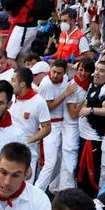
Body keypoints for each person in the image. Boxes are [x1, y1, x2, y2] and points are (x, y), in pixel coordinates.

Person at [35, 59, 79, 193]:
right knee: (50, 162)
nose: (55, 75)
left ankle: (53, 188)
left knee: (61, 160)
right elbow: (47, 107)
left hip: (63, 124)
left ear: (64, 72)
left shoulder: (65, 78)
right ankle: (38, 190)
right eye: (53, 72)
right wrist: (64, 94)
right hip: (50, 125)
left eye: (59, 73)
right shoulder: (46, 84)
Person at [77, 59, 105, 194]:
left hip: (94, 139)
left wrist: (91, 110)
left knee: (91, 175)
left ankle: (92, 204)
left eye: (102, 71)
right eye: (97, 69)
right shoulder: (93, 84)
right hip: (84, 136)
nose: (97, 73)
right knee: (81, 173)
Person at [9, 66, 51, 178]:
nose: (10, 82)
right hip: (7, 146)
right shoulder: (10, 98)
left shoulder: (39, 102)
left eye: (13, 80)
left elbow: (47, 128)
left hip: (27, 151)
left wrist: (28, 141)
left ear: (22, 84)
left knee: (24, 186)